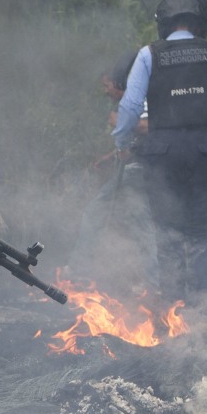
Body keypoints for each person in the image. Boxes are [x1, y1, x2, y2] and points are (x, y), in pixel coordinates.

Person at [113, 0, 207, 306]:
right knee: (203, 231)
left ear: (163, 24)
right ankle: (202, 309)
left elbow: (131, 105)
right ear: (202, 22)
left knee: (167, 233)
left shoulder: (149, 55)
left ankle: (172, 310)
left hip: (162, 152)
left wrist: (122, 142)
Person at [73, 50, 158, 291]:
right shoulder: (131, 100)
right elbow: (136, 143)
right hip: (138, 166)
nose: (105, 90)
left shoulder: (139, 98)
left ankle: (79, 273)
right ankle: (150, 282)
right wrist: (112, 157)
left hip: (143, 171)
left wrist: (121, 121)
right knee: (139, 224)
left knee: (99, 212)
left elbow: (154, 128)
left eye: (107, 84)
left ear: (118, 82)